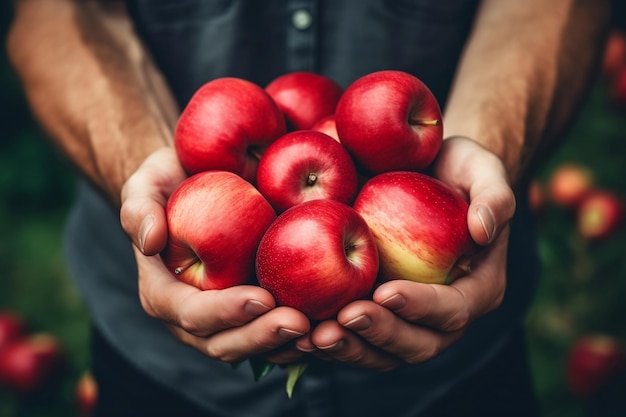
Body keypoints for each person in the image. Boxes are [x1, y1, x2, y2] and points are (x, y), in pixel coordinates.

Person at [6, 1, 610, 416]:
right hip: (161, 359)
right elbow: (56, 16)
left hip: (456, 359)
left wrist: (486, 159)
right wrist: (141, 173)